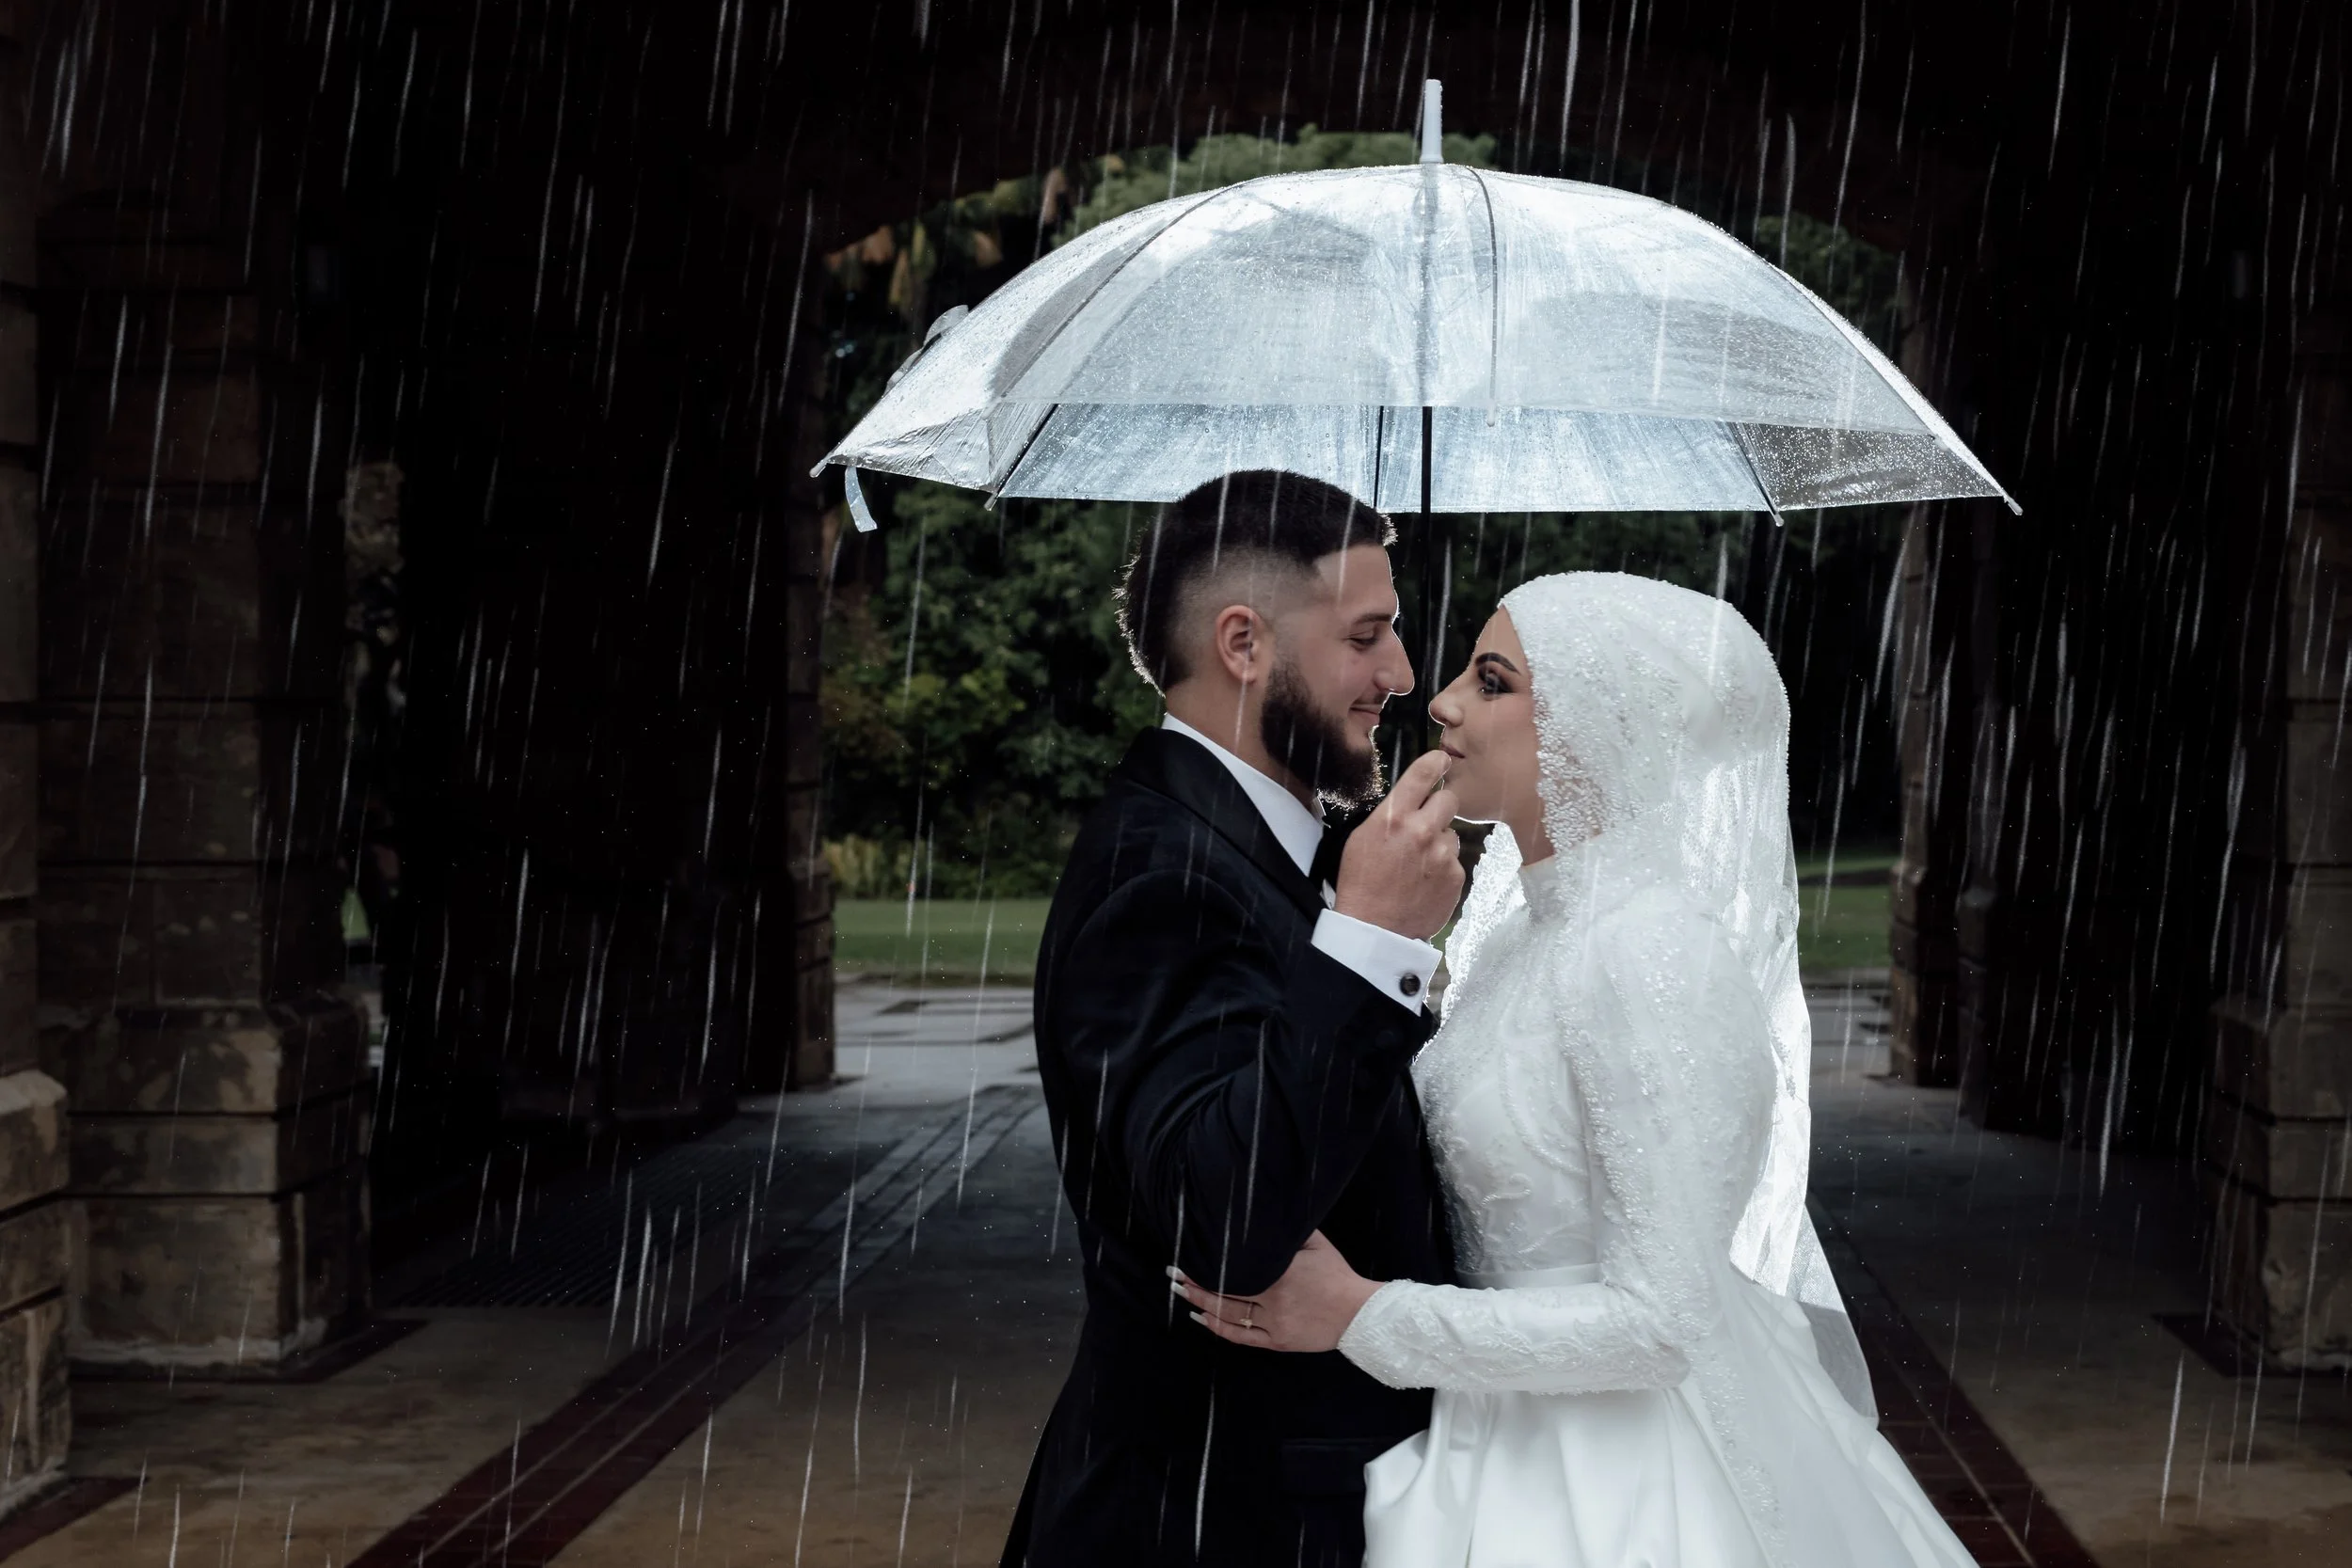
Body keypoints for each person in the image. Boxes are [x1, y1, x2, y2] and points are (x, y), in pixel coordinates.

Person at [1174, 572, 1982, 1568]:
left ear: (1597, 723)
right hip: (1490, 1427)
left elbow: (1662, 1321)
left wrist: (1366, 1315)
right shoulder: (1516, 935)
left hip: (1632, 1475)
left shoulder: (1650, 953)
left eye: (1493, 680)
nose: (1441, 701)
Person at [1001, 471, 1467, 1568]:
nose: (1400, 674)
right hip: (1213, 1519)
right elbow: (1219, 1222)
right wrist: (1367, 946)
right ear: (1244, 643)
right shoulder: (1156, 874)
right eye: (1368, 634)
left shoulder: (1252, 848)